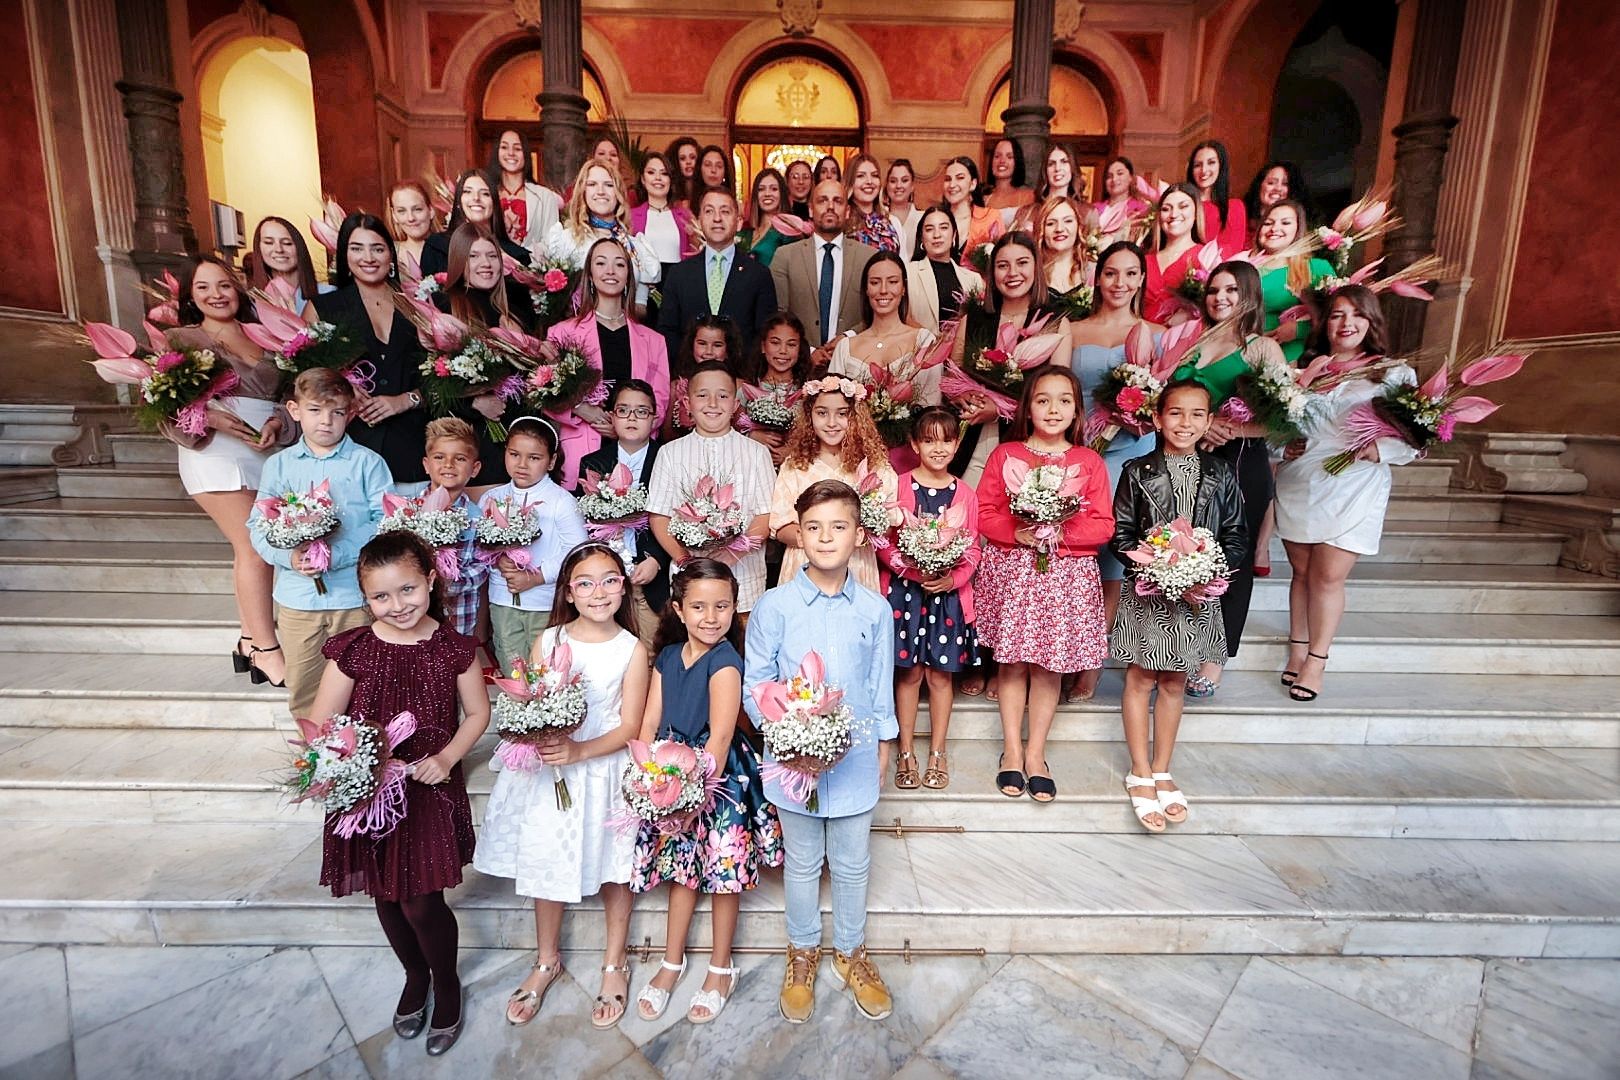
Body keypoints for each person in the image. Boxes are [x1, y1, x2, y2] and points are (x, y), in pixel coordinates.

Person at [309, 531, 489, 1055]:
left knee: (420, 900)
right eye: (381, 597)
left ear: (431, 581)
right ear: (366, 599)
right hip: (366, 790)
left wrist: (448, 758)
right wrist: (355, 761)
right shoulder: (356, 650)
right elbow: (323, 721)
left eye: (407, 589)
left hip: (429, 785)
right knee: (386, 893)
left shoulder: (455, 649)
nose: (397, 605)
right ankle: (415, 976)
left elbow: (478, 713)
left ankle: (447, 983)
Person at [476, 542, 649, 1030]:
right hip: (550, 767)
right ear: (569, 593)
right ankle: (546, 959)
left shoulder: (631, 649)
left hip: (603, 766)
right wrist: (539, 734)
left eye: (610, 579)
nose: (599, 592)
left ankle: (614, 962)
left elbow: (629, 726)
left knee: (617, 866)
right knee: (546, 857)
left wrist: (580, 751)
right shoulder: (549, 640)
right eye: (586, 583)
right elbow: (528, 697)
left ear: (624, 585)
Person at [745, 479, 898, 1025]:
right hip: (793, 762)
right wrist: (787, 739)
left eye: (838, 526)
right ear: (799, 537)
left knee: (853, 864)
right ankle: (802, 951)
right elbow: (756, 682)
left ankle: (852, 953)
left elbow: (881, 683)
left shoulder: (875, 611)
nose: (826, 537)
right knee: (804, 862)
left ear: (858, 535)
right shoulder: (774, 606)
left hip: (854, 758)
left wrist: (884, 740)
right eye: (813, 527)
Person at [631, 559, 783, 1024]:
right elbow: (650, 722)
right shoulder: (668, 658)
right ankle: (671, 962)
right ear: (677, 608)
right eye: (698, 606)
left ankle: (720, 968)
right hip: (669, 772)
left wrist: (694, 792)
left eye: (722, 606)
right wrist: (648, 775)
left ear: (735, 608)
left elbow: (719, 735)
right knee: (681, 869)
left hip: (715, 779)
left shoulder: (726, 662)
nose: (710, 616)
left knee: (722, 872)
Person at [1110, 380, 1247, 831]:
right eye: (1175, 413)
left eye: (1195, 415)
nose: (1184, 423)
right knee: (1141, 677)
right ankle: (1140, 770)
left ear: (1209, 421)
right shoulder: (1136, 471)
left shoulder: (1222, 474)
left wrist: (1202, 574)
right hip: (1150, 592)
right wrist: (1158, 572)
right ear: (1157, 418)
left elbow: (1235, 536)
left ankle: (1163, 767)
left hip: (1198, 594)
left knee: (1174, 681)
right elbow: (1122, 535)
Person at [974, 367, 1113, 802]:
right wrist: (1017, 533)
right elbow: (983, 510)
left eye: (1064, 401)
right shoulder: (1006, 454)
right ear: (1028, 407)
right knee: (1013, 663)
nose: (1054, 409)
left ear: (1076, 410)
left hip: (1065, 578)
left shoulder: (1088, 462)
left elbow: (1103, 524)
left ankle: (1037, 753)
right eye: (1043, 400)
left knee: (1048, 666)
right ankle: (1011, 750)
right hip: (1014, 573)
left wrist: (1058, 531)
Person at [1275, 286, 1419, 701]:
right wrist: (1280, 446)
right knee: (1302, 573)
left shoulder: (1392, 373)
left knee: (1328, 576)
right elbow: (1278, 426)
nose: (1347, 323)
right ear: (1325, 323)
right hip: (1301, 479)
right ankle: (1296, 649)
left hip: (1356, 483)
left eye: (1358, 315)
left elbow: (1416, 438)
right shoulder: (1303, 369)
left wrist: (1382, 449)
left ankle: (1316, 663)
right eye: (1338, 315)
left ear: (1372, 322)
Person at [167, 256, 292, 687]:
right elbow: (162, 403)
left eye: (224, 284)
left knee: (256, 548)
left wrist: (279, 423)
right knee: (254, 546)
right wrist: (211, 418)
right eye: (203, 287)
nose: (216, 294)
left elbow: (287, 393)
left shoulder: (264, 333)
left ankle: (247, 640)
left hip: (265, 446)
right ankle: (269, 650)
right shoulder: (179, 338)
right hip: (215, 447)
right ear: (190, 296)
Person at [1172, 261, 1288, 695]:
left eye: (1231, 290)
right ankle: (1180, 644)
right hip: (1188, 461)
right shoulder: (1189, 342)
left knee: (1231, 563)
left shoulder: (1261, 348)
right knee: (1185, 557)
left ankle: (1215, 658)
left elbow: (1286, 422)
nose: (1220, 298)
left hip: (1241, 463)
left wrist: (1235, 428)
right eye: (1214, 290)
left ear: (1250, 296)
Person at [248, 368, 392, 715]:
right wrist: (289, 558)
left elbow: (386, 520)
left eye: (337, 412)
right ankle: (318, 761)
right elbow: (257, 524)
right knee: (304, 687)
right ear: (294, 410)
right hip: (298, 600)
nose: (326, 421)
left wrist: (337, 553)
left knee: (363, 685)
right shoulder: (279, 465)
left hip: (353, 598)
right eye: (314, 410)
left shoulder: (367, 463)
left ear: (350, 414)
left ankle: (362, 761)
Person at [1067, 240, 1165, 700]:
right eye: (1110, 273)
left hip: (1133, 454)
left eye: (1129, 274)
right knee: (1077, 555)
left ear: (1141, 279)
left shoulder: (1158, 334)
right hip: (1082, 452)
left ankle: (1093, 658)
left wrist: (1142, 412)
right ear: (1097, 278)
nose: (1119, 283)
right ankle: (1065, 647)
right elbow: (1057, 390)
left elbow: (1164, 403)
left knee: (1113, 562)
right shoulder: (1073, 329)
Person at [878, 407, 982, 791]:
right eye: (929, 439)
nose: (938, 448)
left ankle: (938, 751)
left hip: (946, 598)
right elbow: (882, 544)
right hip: (905, 595)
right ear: (914, 444)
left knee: (940, 677)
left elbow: (972, 549)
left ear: (956, 444)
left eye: (946, 440)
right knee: (908, 674)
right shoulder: (899, 487)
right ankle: (905, 751)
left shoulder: (965, 494)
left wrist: (952, 578)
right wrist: (911, 570)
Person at [647, 363, 775, 616]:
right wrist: (684, 559)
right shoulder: (670, 453)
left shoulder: (757, 453)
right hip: (689, 581)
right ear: (687, 403)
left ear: (736, 405)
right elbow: (659, 515)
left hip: (744, 580)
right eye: (702, 395)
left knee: (742, 649)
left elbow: (766, 515)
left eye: (723, 396)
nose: (713, 403)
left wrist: (732, 553)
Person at [314, 212, 430, 485]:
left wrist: (405, 400)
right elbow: (307, 379)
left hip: (414, 445)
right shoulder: (323, 309)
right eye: (357, 248)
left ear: (391, 255)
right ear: (344, 255)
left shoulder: (417, 306)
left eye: (377, 248)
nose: (368, 257)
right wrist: (340, 387)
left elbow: (442, 375)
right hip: (350, 443)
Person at [547, 236, 671, 489]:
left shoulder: (653, 340)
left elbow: (660, 399)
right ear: (590, 275)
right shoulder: (562, 333)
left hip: (636, 451)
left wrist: (625, 427)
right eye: (601, 263)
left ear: (629, 275)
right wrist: (581, 408)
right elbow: (545, 393)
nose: (611, 271)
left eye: (619, 264)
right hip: (581, 448)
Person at [769, 374, 898, 591]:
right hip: (805, 567)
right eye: (822, 413)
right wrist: (820, 542)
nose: (831, 423)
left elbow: (887, 527)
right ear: (809, 416)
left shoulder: (875, 466)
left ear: (856, 417)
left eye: (842, 414)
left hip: (855, 567)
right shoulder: (795, 465)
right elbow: (780, 526)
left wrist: (849, 539)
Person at [429, 221, 533, 486]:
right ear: (459, 261)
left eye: (491, 255)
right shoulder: (443, 309)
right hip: (470, 440)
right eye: (473, 256)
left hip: (514, 435)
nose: (485, 263)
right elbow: (429, 381)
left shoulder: (515, 312)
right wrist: (474, 404)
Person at [480, 417, 589, 665]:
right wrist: (498, 562)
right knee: (512, 666)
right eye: (514, 454)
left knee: (546, 667)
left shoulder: (561, 501)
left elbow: (576, 552)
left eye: (534, 458)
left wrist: (536, 577)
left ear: (551, 461)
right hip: (503, 599)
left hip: (544, 602)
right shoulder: (492, 497)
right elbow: (479, 548)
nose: (522, 464)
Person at [945, 231, 1052, 485]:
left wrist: (1001, 410)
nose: (1013, 272)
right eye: (1003, 265)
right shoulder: (973, 320)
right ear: (992, 273)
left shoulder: (1053, 324)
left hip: (1026, 446)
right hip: (971, 445)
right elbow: (951, 377)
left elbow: (1056, 394)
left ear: (1036, 267)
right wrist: (961, 396)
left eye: (1022, 263)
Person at [576, 379, 672, 652]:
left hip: (650, 576)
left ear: (654, 418)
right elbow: (585, 522)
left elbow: (675, 516)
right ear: (612, 416)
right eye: (623, 410)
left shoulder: (667, 459)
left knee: (652, 651)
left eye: (642, 411)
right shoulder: (593, 462)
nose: (632, 418)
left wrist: (656, 559)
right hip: (605, 580)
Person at [656, 186, 778, 362]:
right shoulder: (679, 274)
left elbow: (764, 334)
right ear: (699, 220)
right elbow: (668, 331)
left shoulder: (758, 275)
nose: (717, 218)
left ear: (738, 222)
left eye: (725, 211)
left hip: (741, 380)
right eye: (709, 211)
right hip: (690, 379)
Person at [771, 180, 878, 359]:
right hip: (798, 364)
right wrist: (809, 350)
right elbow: (777, 314)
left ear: (848, 211)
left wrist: (847, 337)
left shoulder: (868, 257)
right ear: (811, 209)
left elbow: (877, 313)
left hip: (853, 363)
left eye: (837, 201)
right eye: (822, 200)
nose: (830, 206)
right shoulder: (785, 256)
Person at [407, 417, 488, 641]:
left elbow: (483, 565)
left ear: (475, 468)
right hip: (413, 622)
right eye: (439, 457)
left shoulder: (478, 518)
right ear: (426, 464)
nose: (449, 464)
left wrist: (451, 583)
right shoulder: (408, 512)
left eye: (460, 458)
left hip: (458, 619)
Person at [545, 160, 661, 310]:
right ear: (583, 191)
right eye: (592, 184)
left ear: (618, 192)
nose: (601, 191)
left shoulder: (636, 247)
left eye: (608, 185)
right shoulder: (566, 240)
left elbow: (640, 308)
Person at [1253, 199, 1335, 363]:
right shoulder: (1244, 268)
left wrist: (1299, 330)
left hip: (1297, 359)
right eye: (1268, 223)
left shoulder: (1315, 268)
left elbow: (1337, 316)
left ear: (1298, 229)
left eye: (1285, 223)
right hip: (1249, 354)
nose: (1274, 229)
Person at [419, 169, 530, 278]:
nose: (476, 198)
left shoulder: (517, 255)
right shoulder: (436, 247)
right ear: (459, 201)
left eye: (485, 193)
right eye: (468, 192)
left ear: (494, 203)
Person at [630, 152, 698, 320]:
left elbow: (695, 252)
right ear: (643, 179)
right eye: (651, 172)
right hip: (644, 291)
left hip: (678, 286)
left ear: (670, 180)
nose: (658, 178)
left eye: (664, 173)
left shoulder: (685, 215)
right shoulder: (630, 216)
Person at [739, 312, 813, 468]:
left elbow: (817, 435)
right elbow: (730, 429)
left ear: (800, 350)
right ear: (763, 346)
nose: (783, 351)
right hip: (753, 468)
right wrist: (751, 435)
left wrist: (792, 450)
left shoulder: (809, 391)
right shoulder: (746, 390)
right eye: (775, 343)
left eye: (791, 344)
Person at [905, 205, 984, 335]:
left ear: (953, 235)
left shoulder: (973, 279)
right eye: (929, 229)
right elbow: (902, 318)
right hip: (920, 350)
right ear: (921, 238)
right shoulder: (908, 272)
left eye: (944, 228)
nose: (937, 235)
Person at [489, 128, 563, 261]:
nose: (511, 153)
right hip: (493, 269)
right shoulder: (487, 194)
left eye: (517, 148)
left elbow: (552, 242)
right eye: (504, 147)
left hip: (533, 271)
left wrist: (523, 259)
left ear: (526, 154)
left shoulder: (545, 197)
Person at [1143, 182, 1205, 325]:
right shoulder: (1144, 260)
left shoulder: (1205, 256)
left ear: (1196, 213)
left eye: (1183, 207)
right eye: (1166, 209)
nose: (1173, 214)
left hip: (1184, 340)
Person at [246, 216, 331, 314]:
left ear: (299, 248)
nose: (279, 249)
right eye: (269, 242)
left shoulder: (328, 293)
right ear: (259, 248)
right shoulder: (253, 304)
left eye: (287, 243)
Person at [1036, 194, 1094, 319]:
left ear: (1078, 225)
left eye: (1068, 221)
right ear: (1041, 229)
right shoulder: (1033, 273)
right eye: (1051, 223)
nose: (1059, 229)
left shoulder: (1093, 272)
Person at [1187, 140, 1247, 256]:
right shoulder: (1184, 205)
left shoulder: (1234, 207)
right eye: (1197, 165)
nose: (1204, 170)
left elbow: (1235, 250)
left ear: (1221, 166)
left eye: (1211, 163)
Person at [943, 156, 1001, 265]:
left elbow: (1003, 257)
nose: (952, 185)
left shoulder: (991, 217)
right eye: (947, 179)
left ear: (973, 184)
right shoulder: (936, 218)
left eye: (960, 178)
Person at [738, 167, 800, 268]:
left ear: (782, 194)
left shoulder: (789, 232)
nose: (767, 194)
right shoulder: (745, 231)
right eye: (761, 189)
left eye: (774, 189)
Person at [1243, 160, 1309, 247]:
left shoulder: (1300, 229)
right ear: (1259, 186)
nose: (1278, 188)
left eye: (1285, 184)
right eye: (1271, 183)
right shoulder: (1240, 217)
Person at [845, 152, 900, 253]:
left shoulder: (892, 222)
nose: (869, 181)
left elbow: (903, 263)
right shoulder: (843, 222)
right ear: (850, 181)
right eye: (861, 176)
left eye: (874, 175)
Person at [1094, 155, 1153, 249]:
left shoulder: (1142, 209)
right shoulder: (1094, 209)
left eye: (1120, 174)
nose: (1114, 179)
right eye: (1109, 176)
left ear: (1130, 177)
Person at [388, 180, 441, 279]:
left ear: (431, 210)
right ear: (394, 215)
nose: (411, 218)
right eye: (401, 211)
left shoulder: (450, 249)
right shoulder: (388, 254)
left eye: (417, 209)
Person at [982, 136, 1034, 222]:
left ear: (1017, 162)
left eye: (1009, 157)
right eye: (997, 156)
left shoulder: (1029, 196)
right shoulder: (983, 199)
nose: (1002, 161)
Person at [884, 158, 923, 258]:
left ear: (912, 185)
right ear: (887, 185)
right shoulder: (879, 219)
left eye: (904, 180)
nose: (898, 185)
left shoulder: (923, 218)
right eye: (893, 181)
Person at [665, 136, 701, 205]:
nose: (688, 162)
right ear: (675, 162)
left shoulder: (706, 190)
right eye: (682, 158)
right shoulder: (669, 191)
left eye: (692, 157)